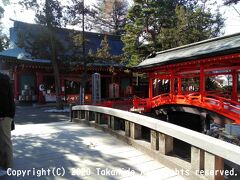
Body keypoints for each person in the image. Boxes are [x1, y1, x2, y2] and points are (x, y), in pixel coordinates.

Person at [0, 72, 15, 176]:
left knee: (5, 141)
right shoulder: (5, 79)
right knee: (3, 141)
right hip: (7, 114)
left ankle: (8, 167)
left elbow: (3, 98)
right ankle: (4, 165)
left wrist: (1, 113)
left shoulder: (2, 80)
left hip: (4, 115)